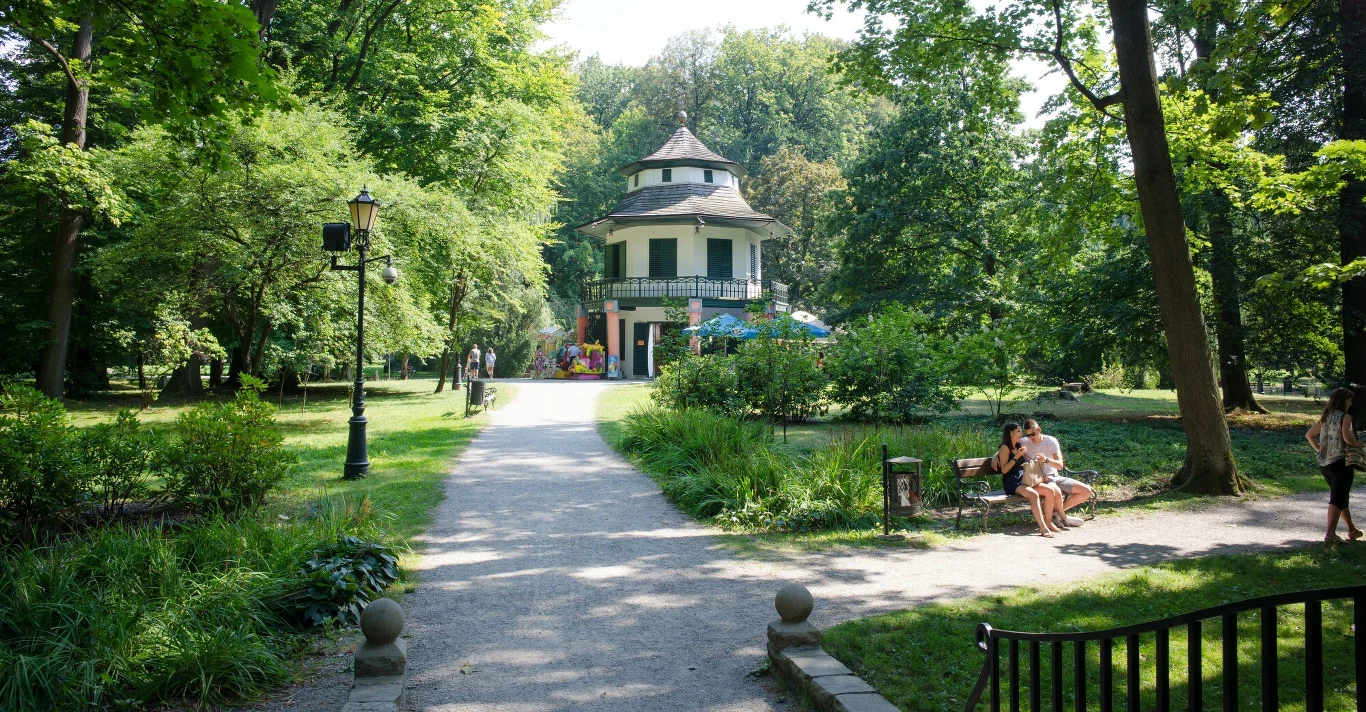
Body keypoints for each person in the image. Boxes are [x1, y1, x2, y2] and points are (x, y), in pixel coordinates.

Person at [1306, 388, 1365, 545]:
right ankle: (1330, 533)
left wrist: (1320, 450)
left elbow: (1309, 435)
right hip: (1340, 462)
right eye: (1349, 400)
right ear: (1343, 400)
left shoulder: (1326, 416)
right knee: (1337, 498)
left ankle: (1352, 530)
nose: (1351, 403)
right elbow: (1348, 438)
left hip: (1325, 464)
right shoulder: (1344, 417)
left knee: (1341, 496)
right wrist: (1358, 443)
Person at [995, 422, 1061, 538]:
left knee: (1050, 491)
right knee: (1034, 495)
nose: (1022, 434)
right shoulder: (1005, 448)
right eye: (1019, 431)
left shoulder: (1020, 445)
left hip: (1024, 479)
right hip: (1012, 482)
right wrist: (1017, 456)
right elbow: (1004, 470)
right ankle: (1043, 528)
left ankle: (1048, 522)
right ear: (1011, 433)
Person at [1021, 419, 1091, 528]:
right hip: (1042, 479)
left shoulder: (1051, 441)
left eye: (1033, 434)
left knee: (1086, 491)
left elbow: (1059, 465)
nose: (1031, 437)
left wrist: (1046, 460)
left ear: (1039, 429)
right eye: (1028, 435)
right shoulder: (1024, 442)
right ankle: (1064, 517)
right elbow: (1005, 446)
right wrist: (996, 457)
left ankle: (1056, 513)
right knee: (1057, 491)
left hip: (1055, 476)